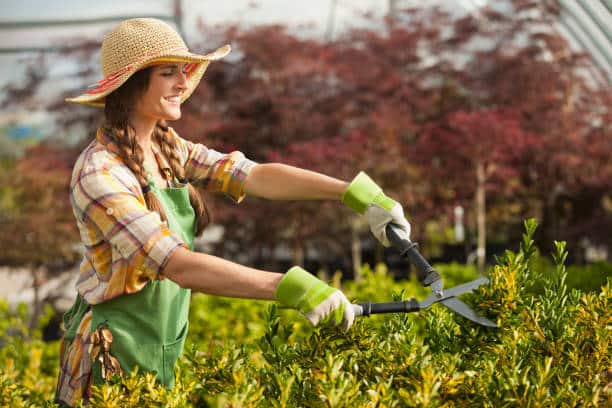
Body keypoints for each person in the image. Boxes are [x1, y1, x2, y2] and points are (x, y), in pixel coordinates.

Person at [55, 18, 411, 406]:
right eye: (168, 72)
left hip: (158, 347)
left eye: (184, 71)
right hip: (111, 357)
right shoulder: (100, 174)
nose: (182, 82)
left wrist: (355, 194)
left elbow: (253, 176)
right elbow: (177, 265)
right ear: (131, 85)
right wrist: (292, 288)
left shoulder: (165, 147)